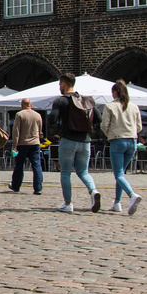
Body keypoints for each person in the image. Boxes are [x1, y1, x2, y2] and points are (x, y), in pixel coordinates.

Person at [48, 74, 101, 214]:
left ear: (63, 84)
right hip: (85, 141)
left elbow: (52, 119)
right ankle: (93, 191)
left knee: (65, 172)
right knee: (83, 171)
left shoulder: (61, 101)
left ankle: (68, 203)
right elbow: (99, 118)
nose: (59, 87)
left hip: (68, 140)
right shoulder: (86, 100)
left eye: (60, 84)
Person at [99, 79, 143, 215]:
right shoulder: (134, 106)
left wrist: (110, 135)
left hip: (117, 141)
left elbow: (103, 125)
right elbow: (139, 126)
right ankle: (117, 203)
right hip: (132, 141)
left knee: (118, 174)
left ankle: (132, 195)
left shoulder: (110, 106)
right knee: (121, 174)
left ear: (115, 92)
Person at [9, 98, 44, 194]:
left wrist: (14, 145)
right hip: (35, 143)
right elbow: (40, 130)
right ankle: (38, 187)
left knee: (19, 165)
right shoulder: (37, 115)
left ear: (22, 105)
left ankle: (16, 185)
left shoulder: (19, 114)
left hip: (22, 143)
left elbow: (16, 131)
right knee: (36, 165)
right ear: (30, 105)